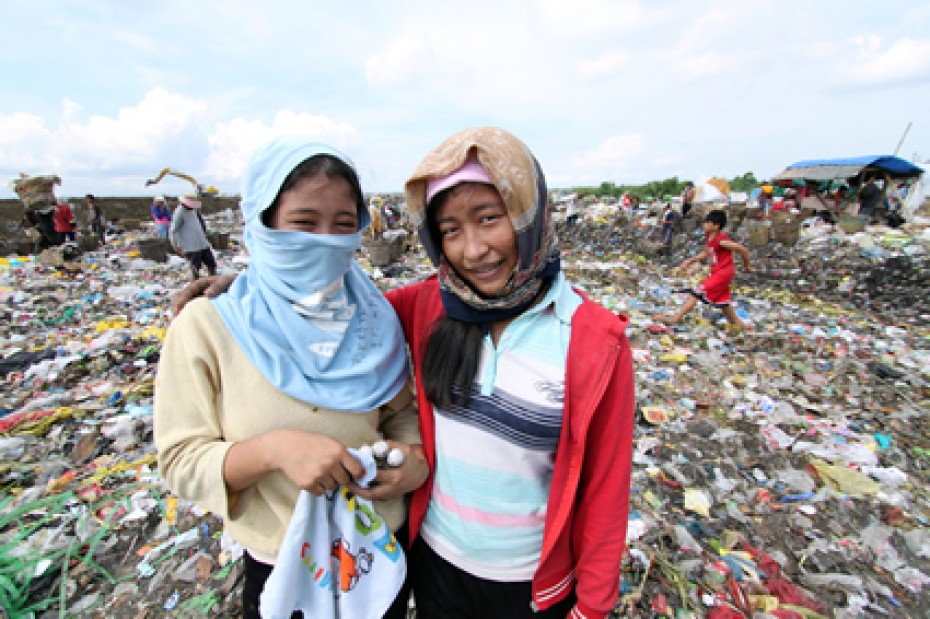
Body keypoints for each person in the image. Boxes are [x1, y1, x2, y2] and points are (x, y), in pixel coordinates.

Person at [174, 127, 636, 619]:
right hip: (428, 562)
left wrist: (593, 606)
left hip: (528, 581)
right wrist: (251, 285)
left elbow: (606, 488)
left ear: (529, 212)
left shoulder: (594, 341)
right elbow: (320, 300)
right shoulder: (426, 308)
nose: (474, 250)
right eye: (451, 230)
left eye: (490, 218)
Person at [155, 138, 426, 619]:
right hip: (283, 564)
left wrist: (414, 459)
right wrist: (273, 450)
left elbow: (400, 412)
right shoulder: (209, 326)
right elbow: (180, 461)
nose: (325, 241)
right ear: (263, 223)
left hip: (378, 552)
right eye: (303, 223)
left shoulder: (374, 317)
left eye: (343, 225)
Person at [653, 209, 754, 330]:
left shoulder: (721, 240)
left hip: (723, 273)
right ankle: (739, 324)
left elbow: (743, 249)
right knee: (723, 302)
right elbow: (708, 252)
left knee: (697, 291)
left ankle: (676, 318)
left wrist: (747, 266)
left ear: (716, 226)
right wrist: (691, 260)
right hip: (717, 272)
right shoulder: (709, 237)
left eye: (707, 222)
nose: (704, 224)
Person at [169, 194, 217, 281]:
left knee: (211, 264)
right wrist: (176, 246)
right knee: (196, 269)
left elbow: (200, 224)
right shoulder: (179, 212)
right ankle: (196, 285)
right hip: (191, 246)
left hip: (202, 243)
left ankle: (212, 281)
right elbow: (173, 230)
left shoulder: (193, 210)